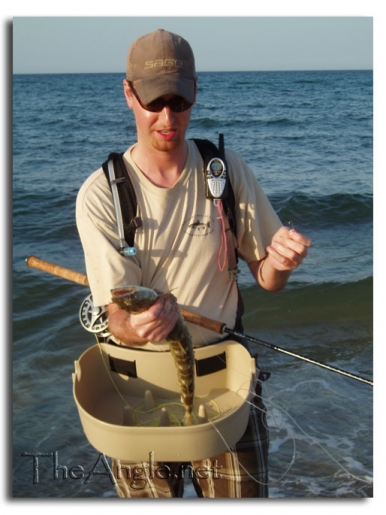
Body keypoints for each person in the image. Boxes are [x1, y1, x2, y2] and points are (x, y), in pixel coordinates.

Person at [76, 29, 311, 498]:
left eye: (179, 102)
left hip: (224, 375)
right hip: (137, 383)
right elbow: (117, 315)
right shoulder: (101, 195)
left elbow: (267, 278)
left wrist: (282, 261)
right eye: (154, 101)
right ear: (128, 93)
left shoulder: (224, 171)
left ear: (196, 93)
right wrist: (134, 327)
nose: (167, 117)